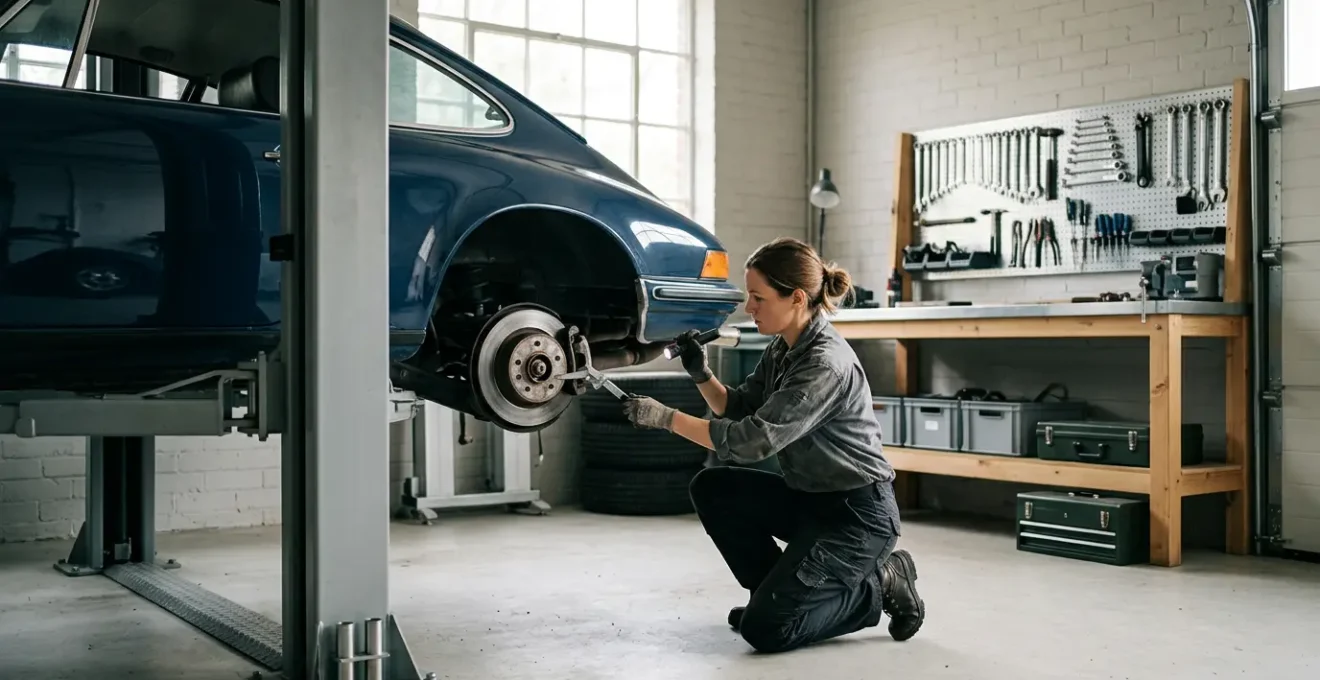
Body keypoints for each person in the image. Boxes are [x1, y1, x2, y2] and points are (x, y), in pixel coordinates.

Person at [621, 236, 925, 654]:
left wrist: (665, 418)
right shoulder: (786, 347)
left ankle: (882, 581)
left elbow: (752, 442)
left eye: (758, 297)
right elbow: (740, 406)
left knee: (767, 631)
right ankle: (774, 595)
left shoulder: (823, 364)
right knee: (713, 488)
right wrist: (700, 373)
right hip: (812, 501)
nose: (750, 308)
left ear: (796, 298)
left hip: (857, 518)